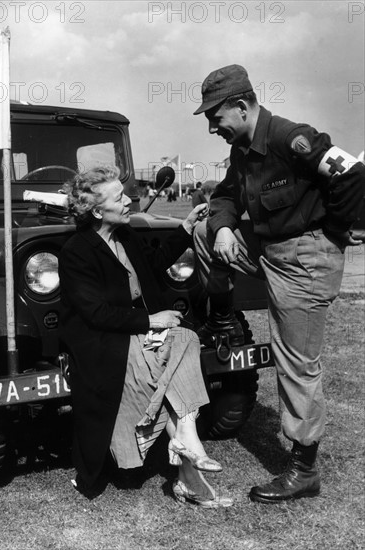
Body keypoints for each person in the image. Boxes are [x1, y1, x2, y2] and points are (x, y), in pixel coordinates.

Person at [192, 64, 365, 503]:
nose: (213, 127)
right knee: (202, 228)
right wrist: (226, 227)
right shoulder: (241, 150)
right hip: (269, 251)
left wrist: (334, 231)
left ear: (242, 105)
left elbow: (351, 174)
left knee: (296, 362)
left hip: (304, 259)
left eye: (216, 117)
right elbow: (226, 195)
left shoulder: (291, 137)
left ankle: (304, 468)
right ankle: (222, 319)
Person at [59, 164, 232, 508]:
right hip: (103, 342)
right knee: (172, 356)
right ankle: (187, 455)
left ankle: (185, 436)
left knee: (185, 339)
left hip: (136, 330)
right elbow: (95, 314)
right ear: (96, 210)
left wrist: (185, 227)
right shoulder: (76, 251)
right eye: (119, 197)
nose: (128, 200)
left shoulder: (124, 236)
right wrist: (150, 320)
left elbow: (152, 264)